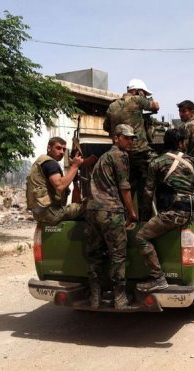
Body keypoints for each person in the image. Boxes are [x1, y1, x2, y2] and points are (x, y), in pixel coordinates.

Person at [134, 128, 194, 292]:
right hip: (190, 210)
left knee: (141, 237)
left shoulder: (156, 162)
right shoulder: (192, 161)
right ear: (181, 143)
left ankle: (157, 278)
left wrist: (144, 218)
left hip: (173, 213)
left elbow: (148, 193)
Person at [84, 124, 138, 309]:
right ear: (116, 137)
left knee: (94, 255)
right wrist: (131, 212)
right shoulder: (120, 156)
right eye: (127, 137)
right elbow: (125, 187)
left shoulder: (103, 158)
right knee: (118, 256)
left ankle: (95, 297)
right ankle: (120, 298)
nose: (130, 141)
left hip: (92, 211)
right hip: (110, 211)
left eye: (132, 138)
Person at [103, 79, 160, 218]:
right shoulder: (136, 100)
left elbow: (105, 127)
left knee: (126, 188)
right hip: (140, 153)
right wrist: (147, 102)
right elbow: (156, 106)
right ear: (137, 91)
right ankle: (145, 220)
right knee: (149, 185)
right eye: (144, 94)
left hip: (122, 155)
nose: (144, 97)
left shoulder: (112, 106)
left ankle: (124, 218)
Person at [26, 137, 84, 224]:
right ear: (49, 148)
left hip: (39, 212)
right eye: (58, 148)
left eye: (64, 149)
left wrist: (72, 172)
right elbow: (60, 186)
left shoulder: (41, 161)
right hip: (51, 212)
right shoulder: (50, 163)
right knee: (90, 209)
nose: (62, 152)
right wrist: (75, 166)